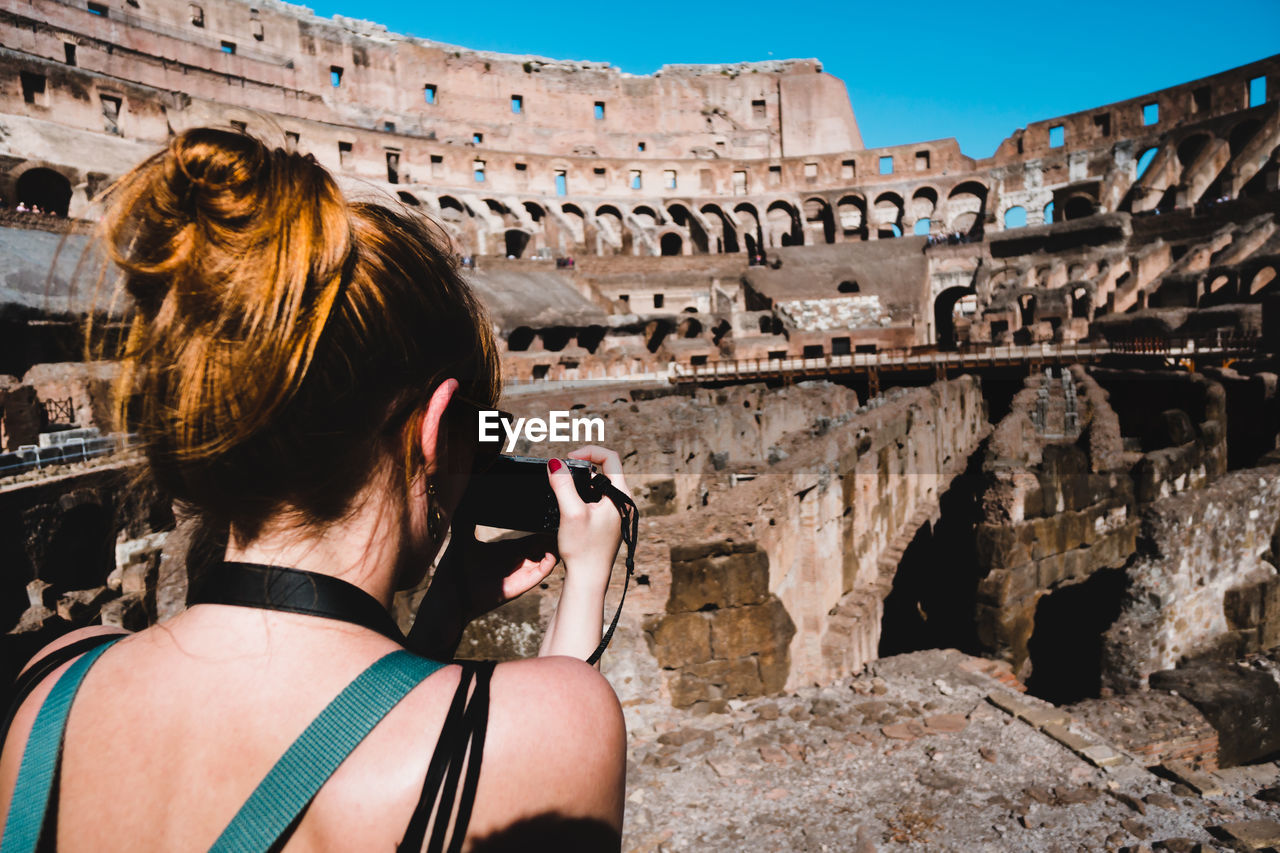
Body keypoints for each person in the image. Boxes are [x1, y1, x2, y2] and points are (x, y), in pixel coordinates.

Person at [0, 128, 628, 851]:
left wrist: (444, 610)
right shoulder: (546, 723)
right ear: (435, 433)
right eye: (474, 440)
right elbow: (487, 753)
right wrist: (585, 578)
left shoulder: (49, 689)